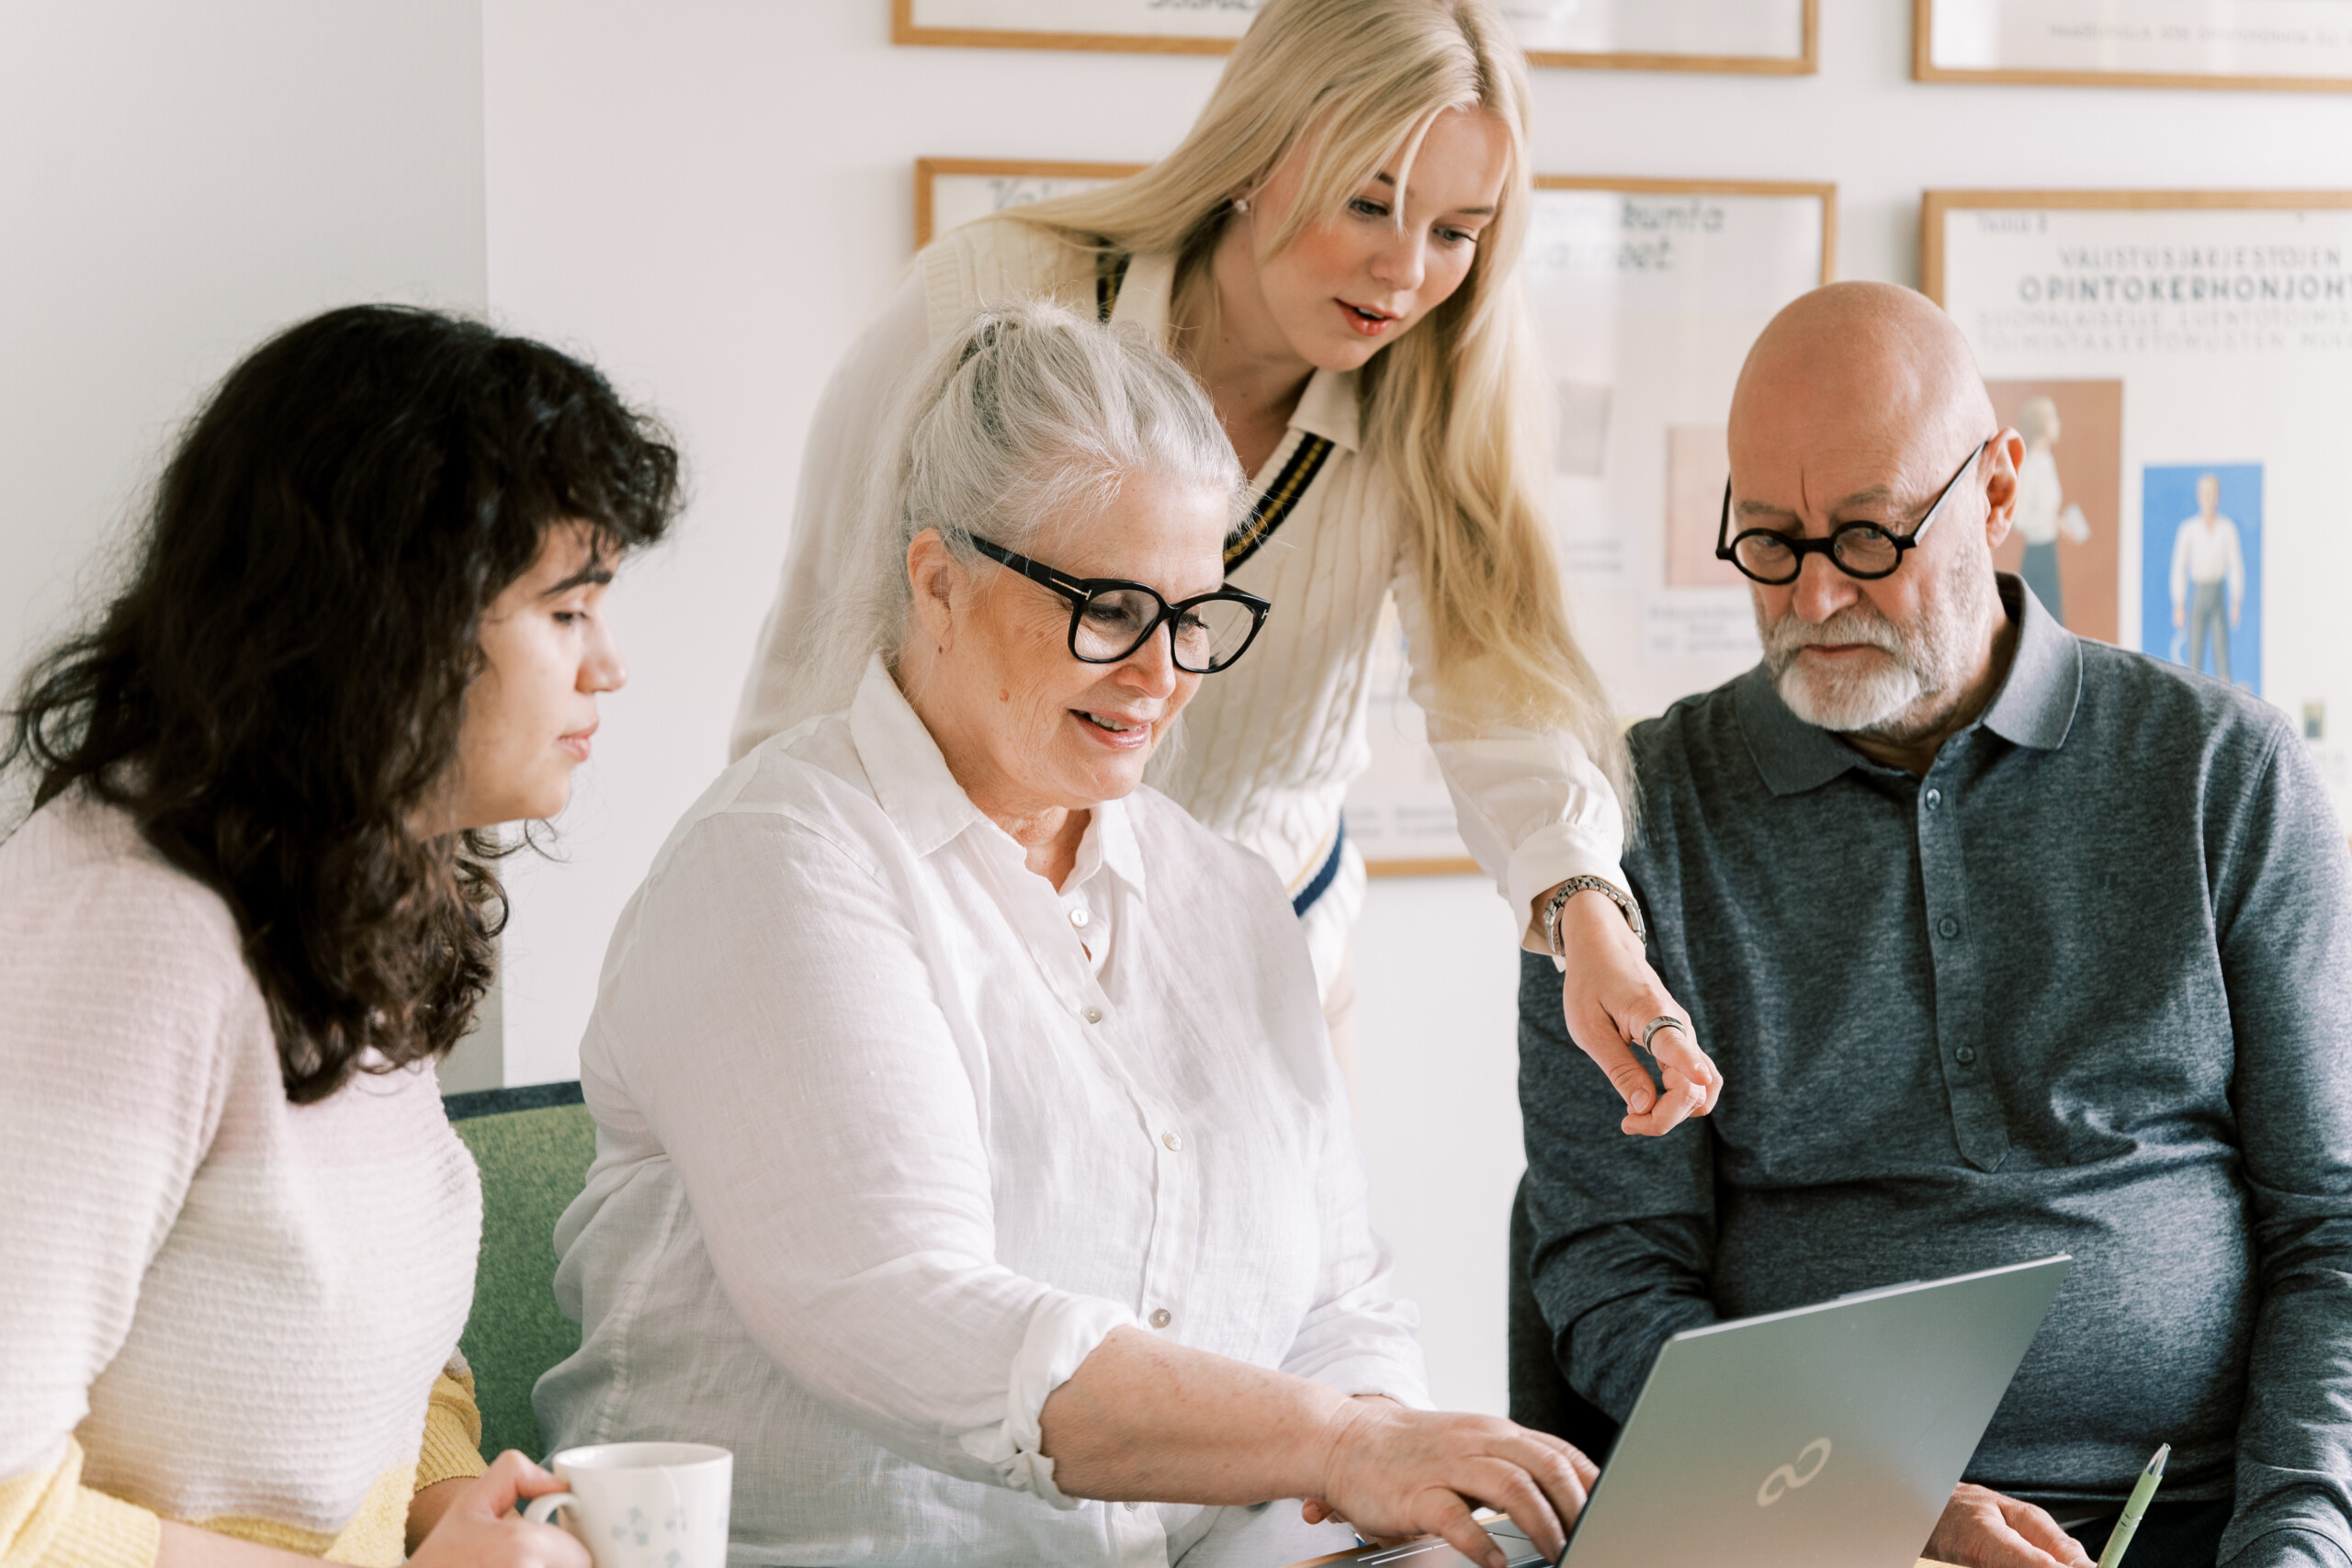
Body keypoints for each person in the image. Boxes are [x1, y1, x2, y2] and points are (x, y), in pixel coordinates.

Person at [537, 304, 1597, 1568]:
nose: (1162, 674)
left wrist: (1386, 1522)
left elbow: (1340, 1302)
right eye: (1109, 608)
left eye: (1196, 616)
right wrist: (1337, 1446)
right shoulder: (780, 859)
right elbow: (911, 1308)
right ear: (939, 578)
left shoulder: (1230, 899)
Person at [730, 0, 1719, 1134]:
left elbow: (1500, 693)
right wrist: (773, 909)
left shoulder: (1438, 404)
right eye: (1368, 202)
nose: (1405, 272)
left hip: (1252, 971)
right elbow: (819, 643)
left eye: (1456, 231)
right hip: (954, 943)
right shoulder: (987, 298)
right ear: (1257, 148)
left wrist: (1587, 915)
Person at [1517, 284, 2352, 1568]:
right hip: (1803, 1521)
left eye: (1867, 538)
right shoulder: (1626, 827)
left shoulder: (2219, 774)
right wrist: (1873, 1498)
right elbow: (1610, 1275)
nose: (1812, 597)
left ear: (2001, 493)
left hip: (2204, 1517)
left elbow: (2330, 1223)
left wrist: (2297, 1532)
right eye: (1771, 540)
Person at [0, 306, 681, 1568]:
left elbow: (388, 1358)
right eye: (567, 611)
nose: (610, 667)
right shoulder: (132, 932)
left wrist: (455, 1505)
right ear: (399, 618)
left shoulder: (341, 884)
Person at [2007, 395, 2087, 625]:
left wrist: (2059, 523)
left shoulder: (2046, 460)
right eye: (2053, 418)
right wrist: (2054, 522)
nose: (2058, 423)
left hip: (2049, 552)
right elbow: (2020, 519)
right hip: (2037, 558)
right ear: (2042, 424)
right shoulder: (2032, 464)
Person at [2169, 473, 2245, 684]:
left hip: (2218, 594)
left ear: (2218, 496)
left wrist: (2236, 600)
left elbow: (2235, 565)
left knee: (2222, 653)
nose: (2209, 499)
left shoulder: (2227, 529)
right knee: (2195, 653)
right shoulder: (2189, 529)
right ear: (2199, 497)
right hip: (2199, 593)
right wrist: (2179, 603)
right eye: (2205, 495)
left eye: (2212, 494)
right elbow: (2179, 566)